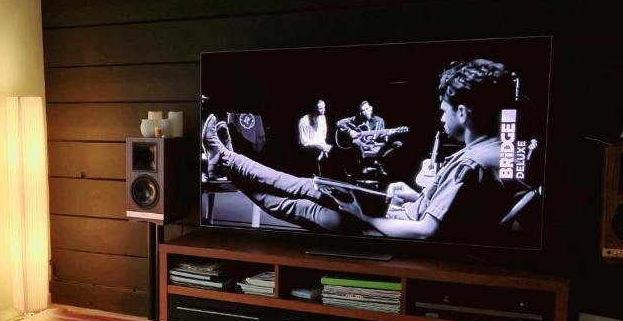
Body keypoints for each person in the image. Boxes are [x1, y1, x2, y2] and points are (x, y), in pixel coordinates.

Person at [202, 59, 518, 241]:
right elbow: (448, 213)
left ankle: (225, 159)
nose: (441, 117)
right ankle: (226, 159)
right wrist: (412, 195)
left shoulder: (471, 163)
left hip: (378, 227)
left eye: (444, 110)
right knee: (302, 187)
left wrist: (362, 216)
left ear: (462, 112)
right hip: (391, 214)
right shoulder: (495, 151)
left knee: (296, 202)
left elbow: (425, 231)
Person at [297, 99, 331, 172]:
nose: (323, 110)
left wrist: (324, 147)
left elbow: (322, 136)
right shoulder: (304, 121)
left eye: (324, 107)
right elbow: (304, 142)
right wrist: (319, 146)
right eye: (320, 108)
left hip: (320, 147)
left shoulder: (322, 118)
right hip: (308, 150)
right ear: (314, 109)